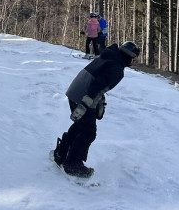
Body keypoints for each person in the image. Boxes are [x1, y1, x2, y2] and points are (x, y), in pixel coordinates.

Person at [53, 39, 140, 178]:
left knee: (81, 126)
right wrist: (85, 105)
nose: (133, 62)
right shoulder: (117, 68)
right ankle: (73, 165)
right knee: (88, 132)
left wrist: (99, 100)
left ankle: (60, 153)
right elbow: (97, 86)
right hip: (83, 95)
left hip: (76, 90)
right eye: (134, 59)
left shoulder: (110, 55)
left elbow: (99, 82)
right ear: (129, 57)